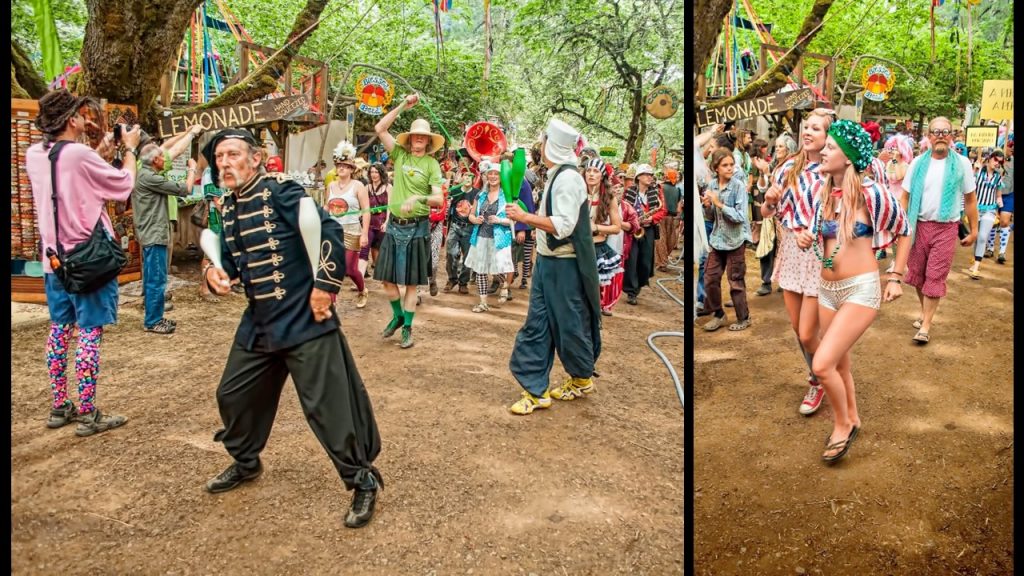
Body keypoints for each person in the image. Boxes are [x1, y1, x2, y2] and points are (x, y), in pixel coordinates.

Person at [199, 128, 383, 529]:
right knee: (232, 394)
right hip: (260, 321)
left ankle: (362, 480)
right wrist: (215, 272)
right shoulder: (228, 208)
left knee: (328, 408)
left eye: (232, 155)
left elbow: (329, 232)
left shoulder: (280, 192)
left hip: (305, 317)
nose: (225, 163)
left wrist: (323, 287)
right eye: (219, 158)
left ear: (255, 158)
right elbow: (231, 260)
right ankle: (246, 462)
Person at [794, 120, 911, 462]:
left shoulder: (871, 193)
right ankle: (853, 416)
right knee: (840, 365)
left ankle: (843, 424)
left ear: (847, 157)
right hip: (827, 290)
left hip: (860, 289)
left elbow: (904, 228)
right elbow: (821, 237)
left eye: (830, 147)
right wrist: (806, 238)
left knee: (823, 363)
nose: (824, 151)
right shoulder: (823, 192)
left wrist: (896, 276)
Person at [27, 89, 139, 436]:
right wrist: (130, 150)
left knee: (60, 330)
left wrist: (99, 153)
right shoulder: (77, 154)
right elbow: (121, 185)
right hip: (89, 259)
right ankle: (89, 411)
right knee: (89, 332)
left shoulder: (35, 154)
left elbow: (71, 179)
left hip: (54, 261)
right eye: (80, 114)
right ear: (71, 120)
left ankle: (60, 405)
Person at [505, 118, 601, 414]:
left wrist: (525, 217)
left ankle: (581, 377)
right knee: (538, 324)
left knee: (570, 325)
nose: (540, 145)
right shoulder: (557, 174)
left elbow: (563, 226)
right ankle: (536, 391)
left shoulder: (569, 180)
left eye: (543, 140)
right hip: (548, 264)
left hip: (564, 267)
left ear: (552, 146)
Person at [762, 108, 832, 415]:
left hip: (817, 254)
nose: (807, 132)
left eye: (816, 129)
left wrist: (815, 232)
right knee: (796, 327)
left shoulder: (834, 170)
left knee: (807, 333)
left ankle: (824, 374)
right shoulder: (786, 167)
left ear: (828, 136)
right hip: (790, 250)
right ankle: (818, 377)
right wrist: (768, 200)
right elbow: (765, 213)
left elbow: (842, 219)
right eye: (806, 127)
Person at [373, 94, 445, 349]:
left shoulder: (432, 165)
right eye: (415, 135)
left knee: (412, 284)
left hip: (418, 227)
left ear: (428, 141)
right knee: (386, 280)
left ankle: (407, 329)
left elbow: (439, 200)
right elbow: (380, 128)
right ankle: (398, 316)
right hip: (394, 226)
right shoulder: (400, 155)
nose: (418, 138)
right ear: (410, 137)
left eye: (423, 136)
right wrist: (403, 105)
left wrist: (418, 198)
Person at [901, 117, 979, 344]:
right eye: (936, 131)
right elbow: (904, 197)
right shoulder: (917, 163)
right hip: (918, 226)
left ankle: (925, 326)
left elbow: (971, 199)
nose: (941, 135)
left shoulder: (962, 163)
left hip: (946, 228)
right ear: (928, 136)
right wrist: (899, 226)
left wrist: (973, 230)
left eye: (946, 131)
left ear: (952, 136)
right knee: (917, 275)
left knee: (935, 275)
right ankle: (924, 312)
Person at [133, 135, 201, 334]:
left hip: (150, 232)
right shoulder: (150, 177)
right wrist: (191, 169)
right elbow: (186, 189)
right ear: (155, 160)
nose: (166, 159)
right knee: (157, 278)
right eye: (163, 157)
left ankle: (156, 316)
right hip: (154, 233)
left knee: (154, 277)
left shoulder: (144, 174)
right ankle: (153, 321)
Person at [701, 150, 752, 331]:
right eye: (725, 165)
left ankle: (743, 317)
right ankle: (718, 314)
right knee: (710, 278)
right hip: (717, 240)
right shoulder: (712, 185)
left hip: (735, 241)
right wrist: (707, 206)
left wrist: (720, 204)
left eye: (731, 164)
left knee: (735, 281)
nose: (730, 168)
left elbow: (740, 216)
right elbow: (710, 217)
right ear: (716, 168)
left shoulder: (738, 186)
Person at [464, 159, 516, 311]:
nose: (492, 176)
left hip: (499, 237)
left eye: (496, 174)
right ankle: (483, 302)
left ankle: (505, 286)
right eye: (490, 174)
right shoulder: (480, 195)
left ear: (501, 177)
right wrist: (475, 220)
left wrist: (499, 219)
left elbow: (514, 219)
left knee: (497, 268)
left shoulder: (507, 196)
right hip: (480, 236)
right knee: (480, 269)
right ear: (486, 176)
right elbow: (471, 215)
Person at [325, 141, 371, 308]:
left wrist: (365, 233)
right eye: (339, 165)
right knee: (332, 267)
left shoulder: (358, 186)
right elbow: (326, 207)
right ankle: (332, 302)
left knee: (350, 269)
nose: (341, 168)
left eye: (345, 165)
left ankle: (362, 289)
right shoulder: (330, 186)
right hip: (332, 231)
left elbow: (366, 210)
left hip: (352, 230)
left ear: (352, 169)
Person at [584, 158, 624, 316]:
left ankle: (594, 320)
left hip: (597, 249)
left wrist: (596, 227)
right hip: (576, 247)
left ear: (602, 176)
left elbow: (617, 227)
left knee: (593, 289)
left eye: (595, 171)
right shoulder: (577, 194)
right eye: (588, 170)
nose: (591, 174)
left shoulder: (609, 198)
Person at [622, 164, 666, 305]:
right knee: (632, 260)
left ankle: (639, 284)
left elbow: (662, 210)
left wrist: (652, 218)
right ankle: (631, 291)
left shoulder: (656, 192)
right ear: (639, 177)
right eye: (647, 174)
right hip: (633, 229)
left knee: (646, 261)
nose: (650, 177)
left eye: (651, 175)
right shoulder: (629, 191)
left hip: (648, 229)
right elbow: (623, 208)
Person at [964, 149, 1005, 279]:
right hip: (975, 210)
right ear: (990, 158)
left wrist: (1001, 210)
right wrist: (974, 171)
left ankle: (976, 267)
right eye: (996, 160)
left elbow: (998, 195)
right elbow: (968, 187)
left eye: (1000, 162)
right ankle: (975, 260)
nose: (997, 163)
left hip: (990, 210)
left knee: (982, 237)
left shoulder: (998, 177)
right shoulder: (978, 173)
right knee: (976, 235)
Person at [444, 170, 479, 293]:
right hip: (455, 226)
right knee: (451, 253)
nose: (468, 178)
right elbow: (447, 204)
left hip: (469, 228)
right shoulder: (455, 191)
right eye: (466, 175)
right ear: (462, 177)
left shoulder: (476, 194)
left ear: (474, 179)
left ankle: (463, 282)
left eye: (471, 176)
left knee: (468, 256)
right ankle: (452, 278)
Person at [361, 163, 391, 276]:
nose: (374, 174)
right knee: (364, 248)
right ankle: (361, 274)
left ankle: (380, 271)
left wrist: (387, 222)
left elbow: (389, 207)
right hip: (369, 222)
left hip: (382, 222)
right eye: (372, 172)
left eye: (376, 172)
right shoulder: (366, 187)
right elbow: (363, 206)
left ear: (381, 173)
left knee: (378, 249)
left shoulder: (388, 187)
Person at [655, 164, 682, 272]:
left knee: (661, 239)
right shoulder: (677, 190)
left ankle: (662, 262)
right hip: (672, 217)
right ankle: (662, 261)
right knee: (670, 240)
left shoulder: (659, 187)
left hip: (661, 217)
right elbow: (678, 206)